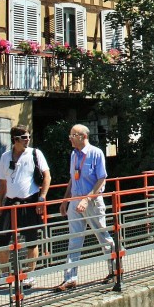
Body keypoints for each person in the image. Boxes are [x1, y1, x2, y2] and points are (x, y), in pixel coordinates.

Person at [54, 124, 115, 291]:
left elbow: (102, 179)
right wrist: (65, 201)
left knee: (102, 236)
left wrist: (87, 199)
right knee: (74, 239)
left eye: (73, 135)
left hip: (92, 202)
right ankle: (70, 278)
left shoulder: (96, 153)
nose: (70, 138)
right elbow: (72, 179)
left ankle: (115, 270)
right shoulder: (74, 154)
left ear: (83, 136)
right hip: (75, 201)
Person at [0, 125, 50, 289]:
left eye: (28, 137)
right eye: (24, 137)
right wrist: (0, 203)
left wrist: (42, 198)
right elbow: (3, 182)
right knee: (1, 239)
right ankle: (5, 274)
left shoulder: (35, 153)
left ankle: (29, 275)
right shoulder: (5, 157)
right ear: (15, 139)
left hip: (29, 201)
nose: (28, 140)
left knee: (31, 239)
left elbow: (47, 176)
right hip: (10, 203)